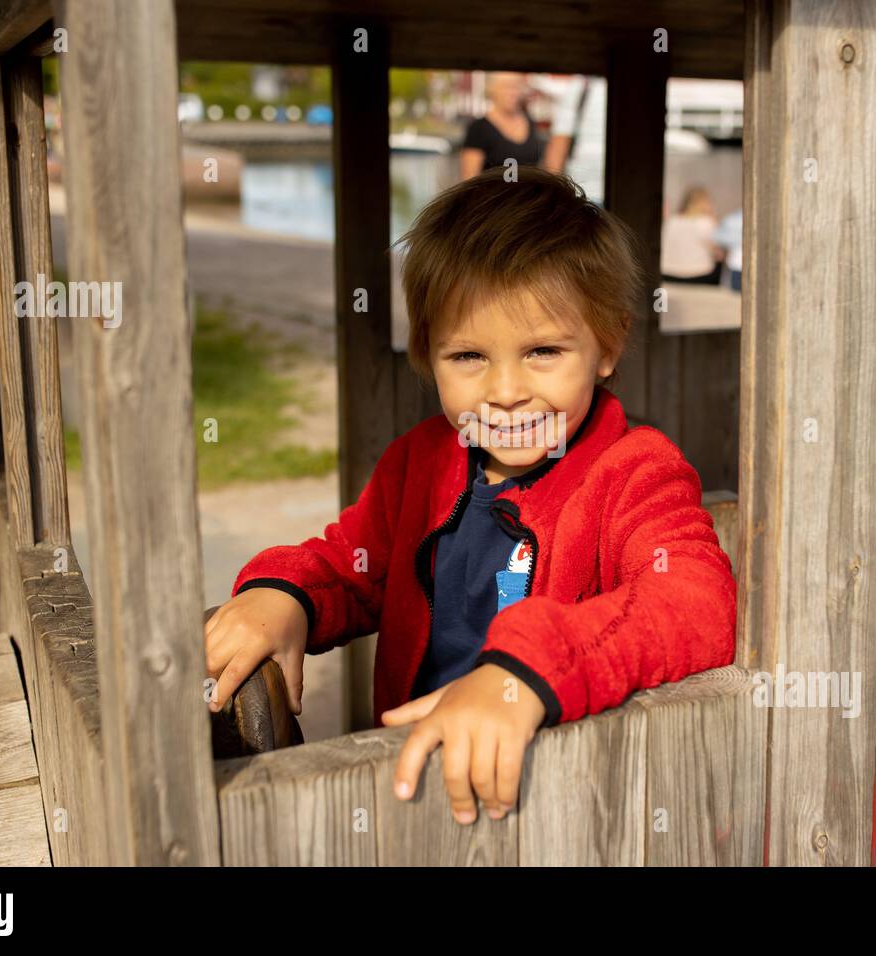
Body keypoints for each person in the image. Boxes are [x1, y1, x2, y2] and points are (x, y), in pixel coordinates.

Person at [205, 167, 737, 825]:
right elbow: (350, 568)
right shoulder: (419, 463)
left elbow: (693, 605)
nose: (506, 390)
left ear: (609, 343)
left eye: (543, 350)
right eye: (469, 357)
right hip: (415, 787)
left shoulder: (634, 472)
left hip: (558, 803)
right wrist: (284, 595)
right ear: (428, 353)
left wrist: (524, 671)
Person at [459, 73, 551, 179]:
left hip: (528, 194)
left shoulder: (530, 122)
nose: (512, 92)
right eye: (506, 86)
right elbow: (469, 178)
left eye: (516, 86)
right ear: (492, 89)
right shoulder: (479, 128)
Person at [660, 186, 726, 285]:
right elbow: (718, 252)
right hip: (700, 274)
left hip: (668, 272)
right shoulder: (706, 222)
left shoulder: (671, 221)